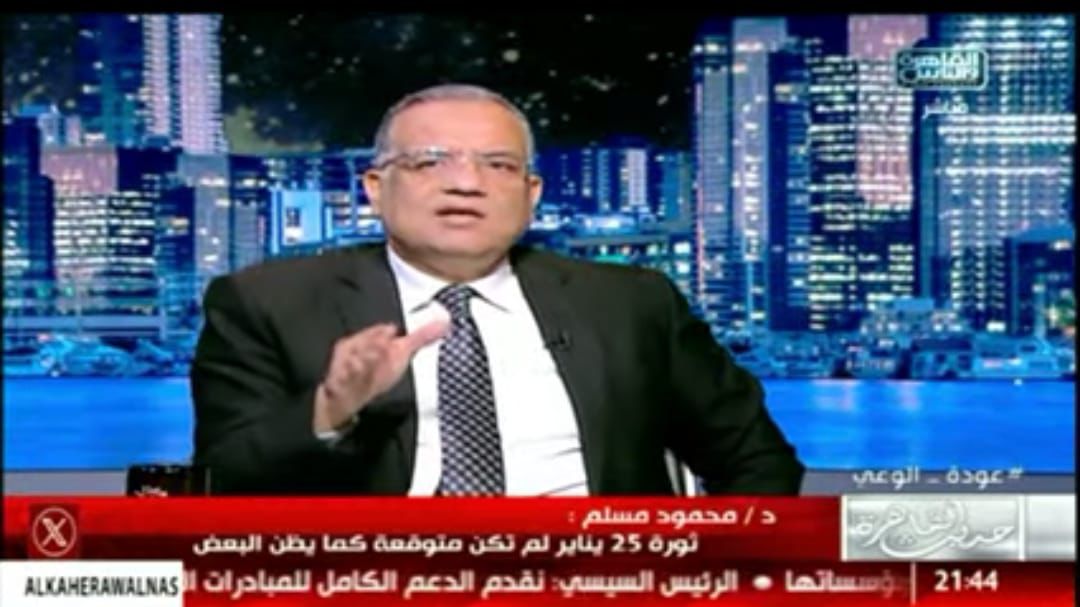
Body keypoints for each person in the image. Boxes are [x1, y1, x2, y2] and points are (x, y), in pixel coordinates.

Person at [190, 83, 804, 496]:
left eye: (498, 165)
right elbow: (220, 482)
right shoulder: (267, 302)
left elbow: (756, 461)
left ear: (531, 194)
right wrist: (330, 410)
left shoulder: (632, 303)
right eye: (431, 161)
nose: (466, 183)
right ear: (375, 187)